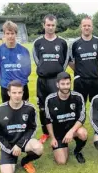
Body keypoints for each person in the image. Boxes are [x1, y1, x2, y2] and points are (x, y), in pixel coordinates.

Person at [0, 80, 43, 173]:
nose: (17, 95)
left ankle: (25, 161)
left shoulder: (30, 109)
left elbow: (32, 128)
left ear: (23, 93)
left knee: (38, 148)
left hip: (23, 142)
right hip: (9, 144)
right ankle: (11, 157)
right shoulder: (0, 110)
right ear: (8, 93)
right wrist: (10, 148)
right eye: (14, 92)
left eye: (19, 92)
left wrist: (19, 145)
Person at [33, 14, 69, 144]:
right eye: (48, 25)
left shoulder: (62, 42)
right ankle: (46, 132)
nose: (50, 27)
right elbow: (37, 60)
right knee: (42, 107)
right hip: (42, 81)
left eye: (52, 25)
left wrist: (58, 75)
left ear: (56, 26)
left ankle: (61, 129)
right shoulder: (38, 42)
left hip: (56, 80)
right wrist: (44, 70)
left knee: (58, 105)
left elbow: (65, 61)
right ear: (44, 25)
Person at [45, 72, 87, 164]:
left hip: (73, 130)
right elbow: (48, 120)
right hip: (58, 133)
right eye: (63, 84)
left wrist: (71, 132)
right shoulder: (50, 99)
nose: (65, 86)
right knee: (61, 162)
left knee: (83, 133)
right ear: (57, 84)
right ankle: (63, 145)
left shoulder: (78, 97)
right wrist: (52, 138)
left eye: (68, 83)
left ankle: (77, 151)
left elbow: (82, 117)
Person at [0, 20, 31, 103]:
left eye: (12, 33)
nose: (10, 36)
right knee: (8, 114)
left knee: (25, 112)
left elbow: (27, 70)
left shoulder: (24, 51)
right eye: (7, 33)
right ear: (4, 34)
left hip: (22, 86)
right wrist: (6, 78)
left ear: (16, 34)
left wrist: (19, 80)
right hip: (6, 87)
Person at [69, 17, 98, 103]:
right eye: (84, 25)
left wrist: (92, 67)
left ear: (92, 27)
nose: (86, 27)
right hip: (80, 81)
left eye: (89, 25)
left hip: (95, 79)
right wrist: (80, 70)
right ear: (81, 27)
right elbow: (70, 61)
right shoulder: (74, 43)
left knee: (97, 106)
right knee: (79, 106)